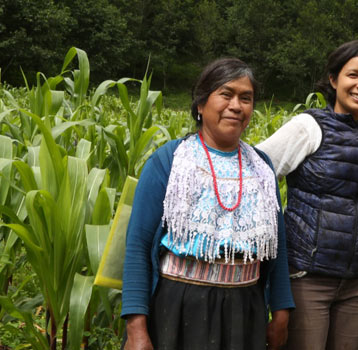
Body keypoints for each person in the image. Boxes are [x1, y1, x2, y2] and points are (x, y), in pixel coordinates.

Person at [121, 58, 293, 350]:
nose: (236, 105)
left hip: (245, 308)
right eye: (226, 94)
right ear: (201, 104)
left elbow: (277, 248)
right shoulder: (170, 161)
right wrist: (136, 329)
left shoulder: (261, 168)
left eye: (246, 98)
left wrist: (281, 312)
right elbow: (137, 246)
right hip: (179, 307)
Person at [256, 39, 358, 350]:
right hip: (308, 277)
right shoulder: (308, 127)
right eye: (353, 75)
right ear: (333, 79)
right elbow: (256, 170)